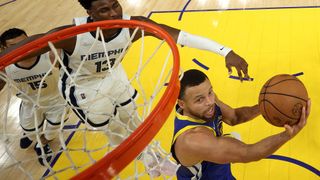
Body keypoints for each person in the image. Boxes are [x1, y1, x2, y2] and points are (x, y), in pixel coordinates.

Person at [0, 0, 249, 175]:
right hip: (84, 88)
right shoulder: (71, 35)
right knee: (116, 131)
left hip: (114, 76)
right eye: (103, 10)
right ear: (89, 12)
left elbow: (182, 37)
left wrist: (225, 51)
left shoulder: (134, 26)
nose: (113, 14)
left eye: (115, 5)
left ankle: (155, 156)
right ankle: (145, 158)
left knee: (135, 121)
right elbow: (29, 46)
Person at [171, 69, 310, 179]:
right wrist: (286, 135)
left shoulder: (208, 103)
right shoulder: (192, 140)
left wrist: (266, 105)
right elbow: (247, 152)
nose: (210, 101)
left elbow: (235, 117)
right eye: (199, 100)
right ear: (182, 104)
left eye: (210, 92)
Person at [0, 28, 69, 166]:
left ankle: (41, 145)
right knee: (31, 131)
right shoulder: (5, 66)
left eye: (25, 42)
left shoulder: (50, 54)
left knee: (52, 131)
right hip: (29, 103)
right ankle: (31, 136)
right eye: (14, 46)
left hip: (56, 100)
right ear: (4, 49)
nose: (22, 48)